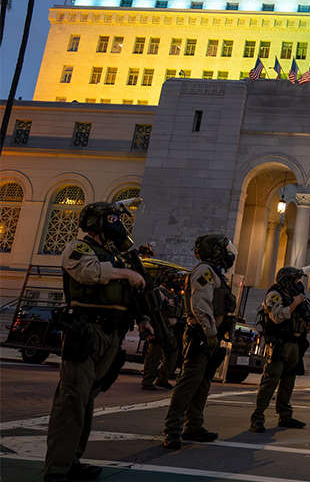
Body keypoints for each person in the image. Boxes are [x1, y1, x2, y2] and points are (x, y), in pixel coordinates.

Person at [42, 201, 151, 482]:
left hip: (112, 333)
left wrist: (142, 318)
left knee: (87, 398)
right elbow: (86, 272)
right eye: (113, 219)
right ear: (97, 222)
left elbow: (127, 292)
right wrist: (126, 273)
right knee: (73, 398)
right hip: (87, 331)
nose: (119, 225)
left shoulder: (115, 255)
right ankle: (57, 469)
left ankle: (72, 460)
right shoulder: (80, 248)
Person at [163, 234, 237, 450]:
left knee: (203, 382)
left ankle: (193, 425)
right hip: (201, 335)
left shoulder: (215, 272)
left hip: (211, 334)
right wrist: (210, 331)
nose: (227, 253)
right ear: (214, 250)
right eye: (223, 248)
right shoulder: (204, 271)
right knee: (188, 383)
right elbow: (200, 304)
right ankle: (172, 430)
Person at [249, 266, 310, 432]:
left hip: (294, 345)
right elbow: (277, 317)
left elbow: (296, 320)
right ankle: (257, 418)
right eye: (296, 279)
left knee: (288, 382)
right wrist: (295, 303)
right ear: (287, 280)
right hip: (279, 345)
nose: (298, 283)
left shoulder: (295, 296)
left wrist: (307, 325)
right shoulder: (275, 295)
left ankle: (285, 416)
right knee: (270, 380)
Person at [141, 272, 183, 391]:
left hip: (169, 329)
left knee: (173, 351)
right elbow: (153, 307)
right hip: (158, 327)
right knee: (154, 354)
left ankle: (162, 379)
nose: (176, 282)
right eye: (174, 279)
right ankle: (147, 381)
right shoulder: (158, 292)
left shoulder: (172, 294)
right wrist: (166, 303)